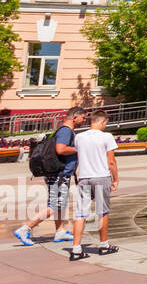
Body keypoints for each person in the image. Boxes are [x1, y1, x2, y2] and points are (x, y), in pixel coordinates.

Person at [12, 107, 85, 246]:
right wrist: (79, 148)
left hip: (60, 174)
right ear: (75, 117)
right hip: (59, 174)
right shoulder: (66, 131)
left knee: (60, 204)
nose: (84, 120)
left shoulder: (64, 130)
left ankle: (60, 231)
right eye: (83, 117)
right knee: (54, 205)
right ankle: (26, 228)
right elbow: (61, 149)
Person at [69, 110, 119, 261]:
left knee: (80, 214)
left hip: (84, 177)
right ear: (103, 121)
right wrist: (115, 179)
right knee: (102, 212)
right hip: (101, 177)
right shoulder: (106, 137)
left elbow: (79, 157)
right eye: (106, 123)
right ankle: (104, 246)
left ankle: (76, 249)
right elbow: (111, 162)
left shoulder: (79, 137)